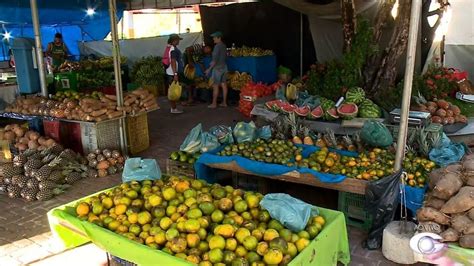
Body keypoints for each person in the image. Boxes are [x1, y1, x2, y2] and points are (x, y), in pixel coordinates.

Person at [205, 31, 228, 108]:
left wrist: (209, 69)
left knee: (215, 86)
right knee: (224, 85)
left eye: (214, 37)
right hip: (224, 67)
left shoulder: (217, 47)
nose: (213, 39)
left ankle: (214, 104)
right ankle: (224, 103)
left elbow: (214, 60)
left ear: (219, 38)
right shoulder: (224, 46)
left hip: (217, 68)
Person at [163, 34, 185, 114]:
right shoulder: (173, 49)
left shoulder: (169, 47)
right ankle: (173, 108)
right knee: (173, 90)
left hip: (169, 72)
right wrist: (175, 74)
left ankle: (174, 107)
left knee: (172, 89)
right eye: (178, 40)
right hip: (172, 73)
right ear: (174, 41)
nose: (179, 41)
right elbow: (173, 61)